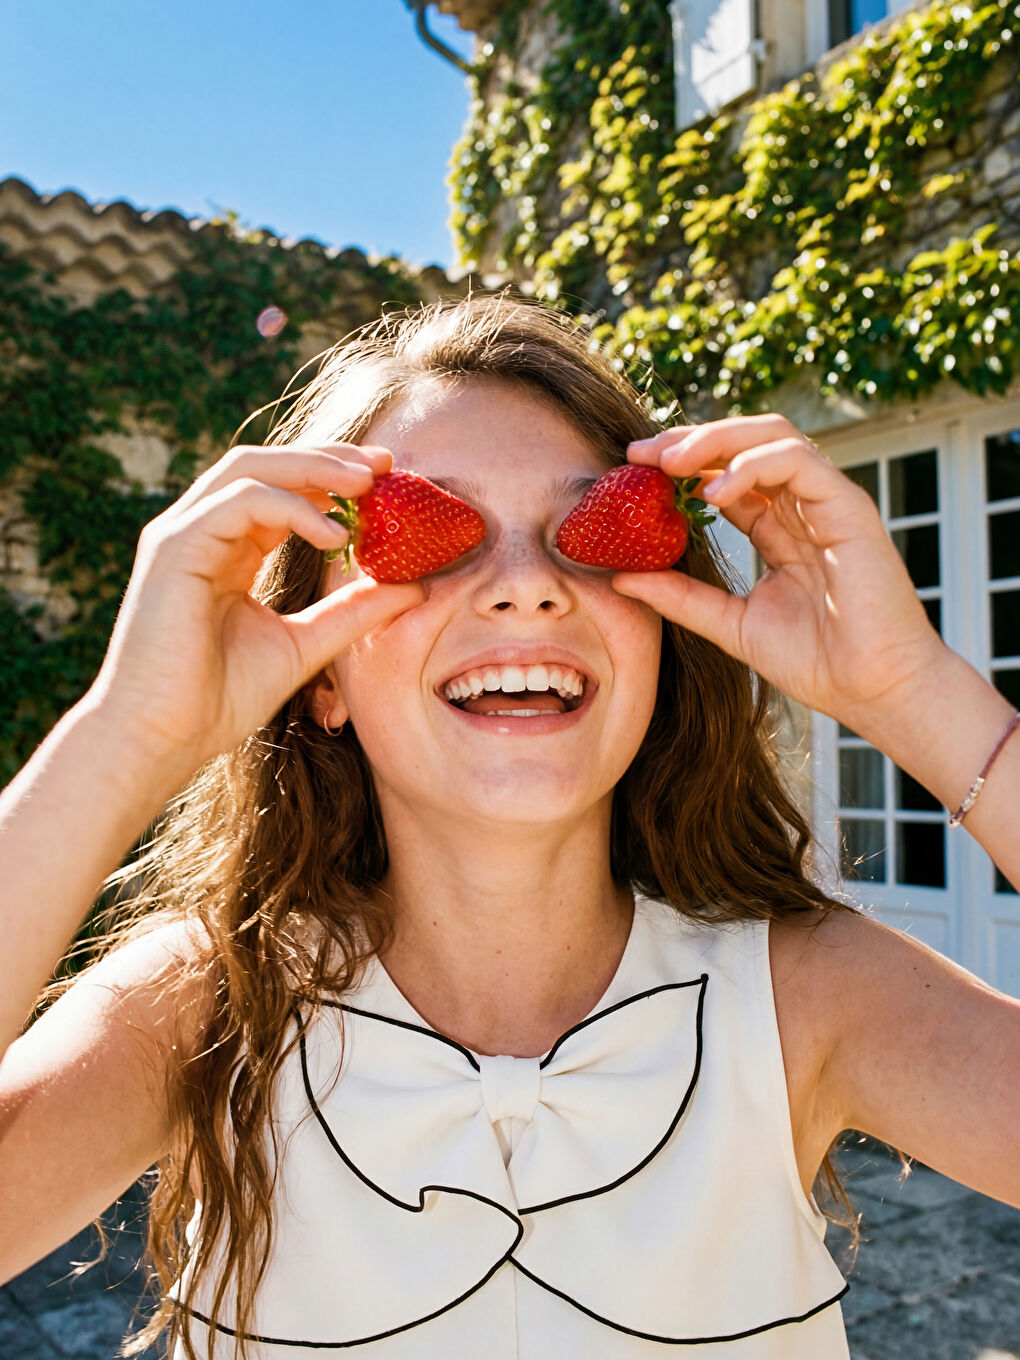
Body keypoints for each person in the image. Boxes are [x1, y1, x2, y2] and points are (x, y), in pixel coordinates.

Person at [0, 295, 1017, 1360]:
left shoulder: (808, 994)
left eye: (584, 534)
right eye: (433, 540)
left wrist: (914, 693)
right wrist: (124, 735)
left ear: (665, 632)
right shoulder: (200, 1005)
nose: (527, 588)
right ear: (321, 676)